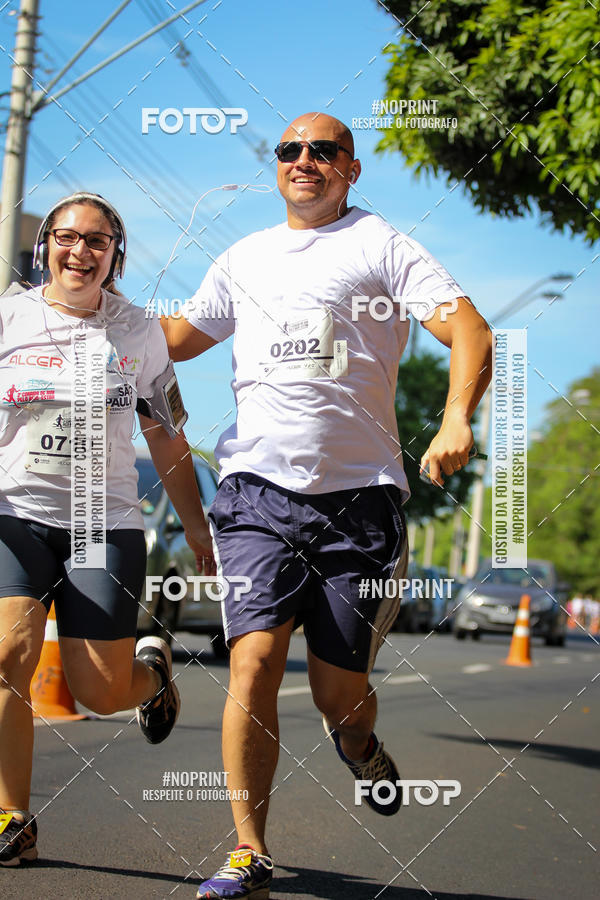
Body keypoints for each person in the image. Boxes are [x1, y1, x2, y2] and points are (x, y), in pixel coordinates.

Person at [162, 112, 493, 899]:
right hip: (256, 492)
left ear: (350, 167)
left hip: (360, 501)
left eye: (322, 150)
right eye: (289, 150)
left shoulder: (379, 243)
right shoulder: (243, 256)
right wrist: (93, 312)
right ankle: (250, 851)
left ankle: (360, 742)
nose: (303, 160)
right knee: (254, 658)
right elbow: (179, 336)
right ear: (277, 166)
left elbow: (470, 328)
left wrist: (456, 418)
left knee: (337, 696)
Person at [0, 192, 214, 866]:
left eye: (97, 242)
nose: (80, 251)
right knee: (9, 652)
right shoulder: (9, 317)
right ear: (46, 248)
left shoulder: (139, 333)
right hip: (17, 515)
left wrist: (200, 532)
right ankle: (13, 820)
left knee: (96, 693)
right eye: (68, 237)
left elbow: (170, 438)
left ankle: (152, 675)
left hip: (104, 521)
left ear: (114, 256)